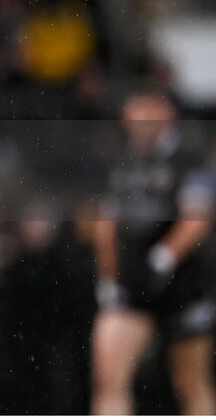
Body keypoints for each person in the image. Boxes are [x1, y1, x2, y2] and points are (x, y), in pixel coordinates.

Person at [91, 92, 216, 414]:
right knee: (109, 376)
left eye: (149, 109)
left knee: (190, 381)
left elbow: (198, 218)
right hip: (133, 283)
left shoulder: (189, 160)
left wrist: (165, 256)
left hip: (183, 283)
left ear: (168, 114)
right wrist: (108, 277)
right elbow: (106, 225)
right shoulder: (120, 162)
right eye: (135, 110)